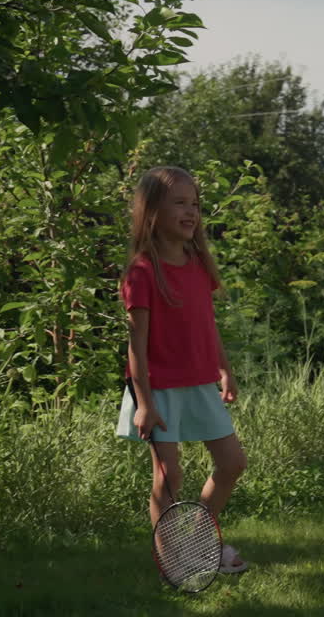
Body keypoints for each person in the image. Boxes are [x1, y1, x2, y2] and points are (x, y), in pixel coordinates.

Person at [115, 165, 248, 574]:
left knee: (232, 463)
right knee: (169, 474)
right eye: (180, 203)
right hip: (157, 389)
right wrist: (144, 403)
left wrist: (223, 367)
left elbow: (207, 324)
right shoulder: (141, 272)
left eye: (195, 204)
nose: (191, 212)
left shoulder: (198, 263)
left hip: (199, 383)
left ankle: (198, 540)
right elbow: (136, 344)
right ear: (152, 211)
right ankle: (172, 561)